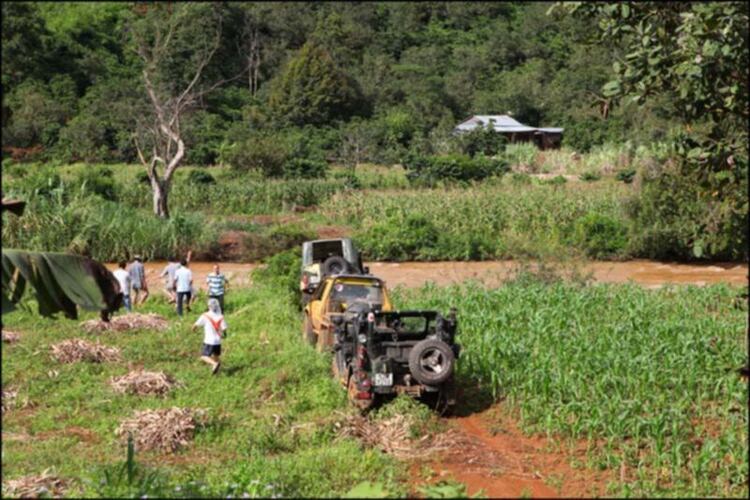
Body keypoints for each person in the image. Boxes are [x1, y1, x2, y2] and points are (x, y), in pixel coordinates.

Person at [192, 298, 227, 374]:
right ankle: (218, 372)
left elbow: (195, 325)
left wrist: (193, 330)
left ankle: (214, 364)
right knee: (216, 357)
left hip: (209, 341)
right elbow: (224, 330)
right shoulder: (221, 316)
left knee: (203, 356)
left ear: (209, 306)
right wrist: (223, 335)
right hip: (218, 341)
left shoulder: (205, 316)